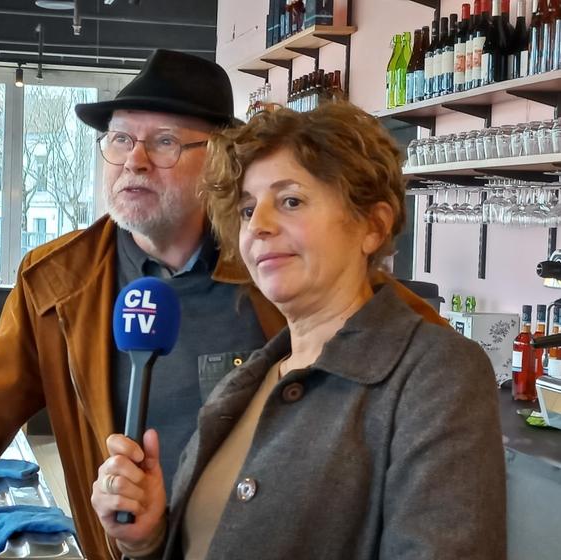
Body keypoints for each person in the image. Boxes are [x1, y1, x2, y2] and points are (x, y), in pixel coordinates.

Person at [0, 51, 445, 560]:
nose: (134, 161)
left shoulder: (275, 267)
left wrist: (453, 371)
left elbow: (396, 330)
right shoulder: (57, 284)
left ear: (221, 161)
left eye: (166, 142)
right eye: (120, 140)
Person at [91, 104, 506, 559]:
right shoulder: (250, 379)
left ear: (373, 225)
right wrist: (149, 540)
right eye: (248, 210)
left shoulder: (438, 374)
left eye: (290, 201)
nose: (260, 227)